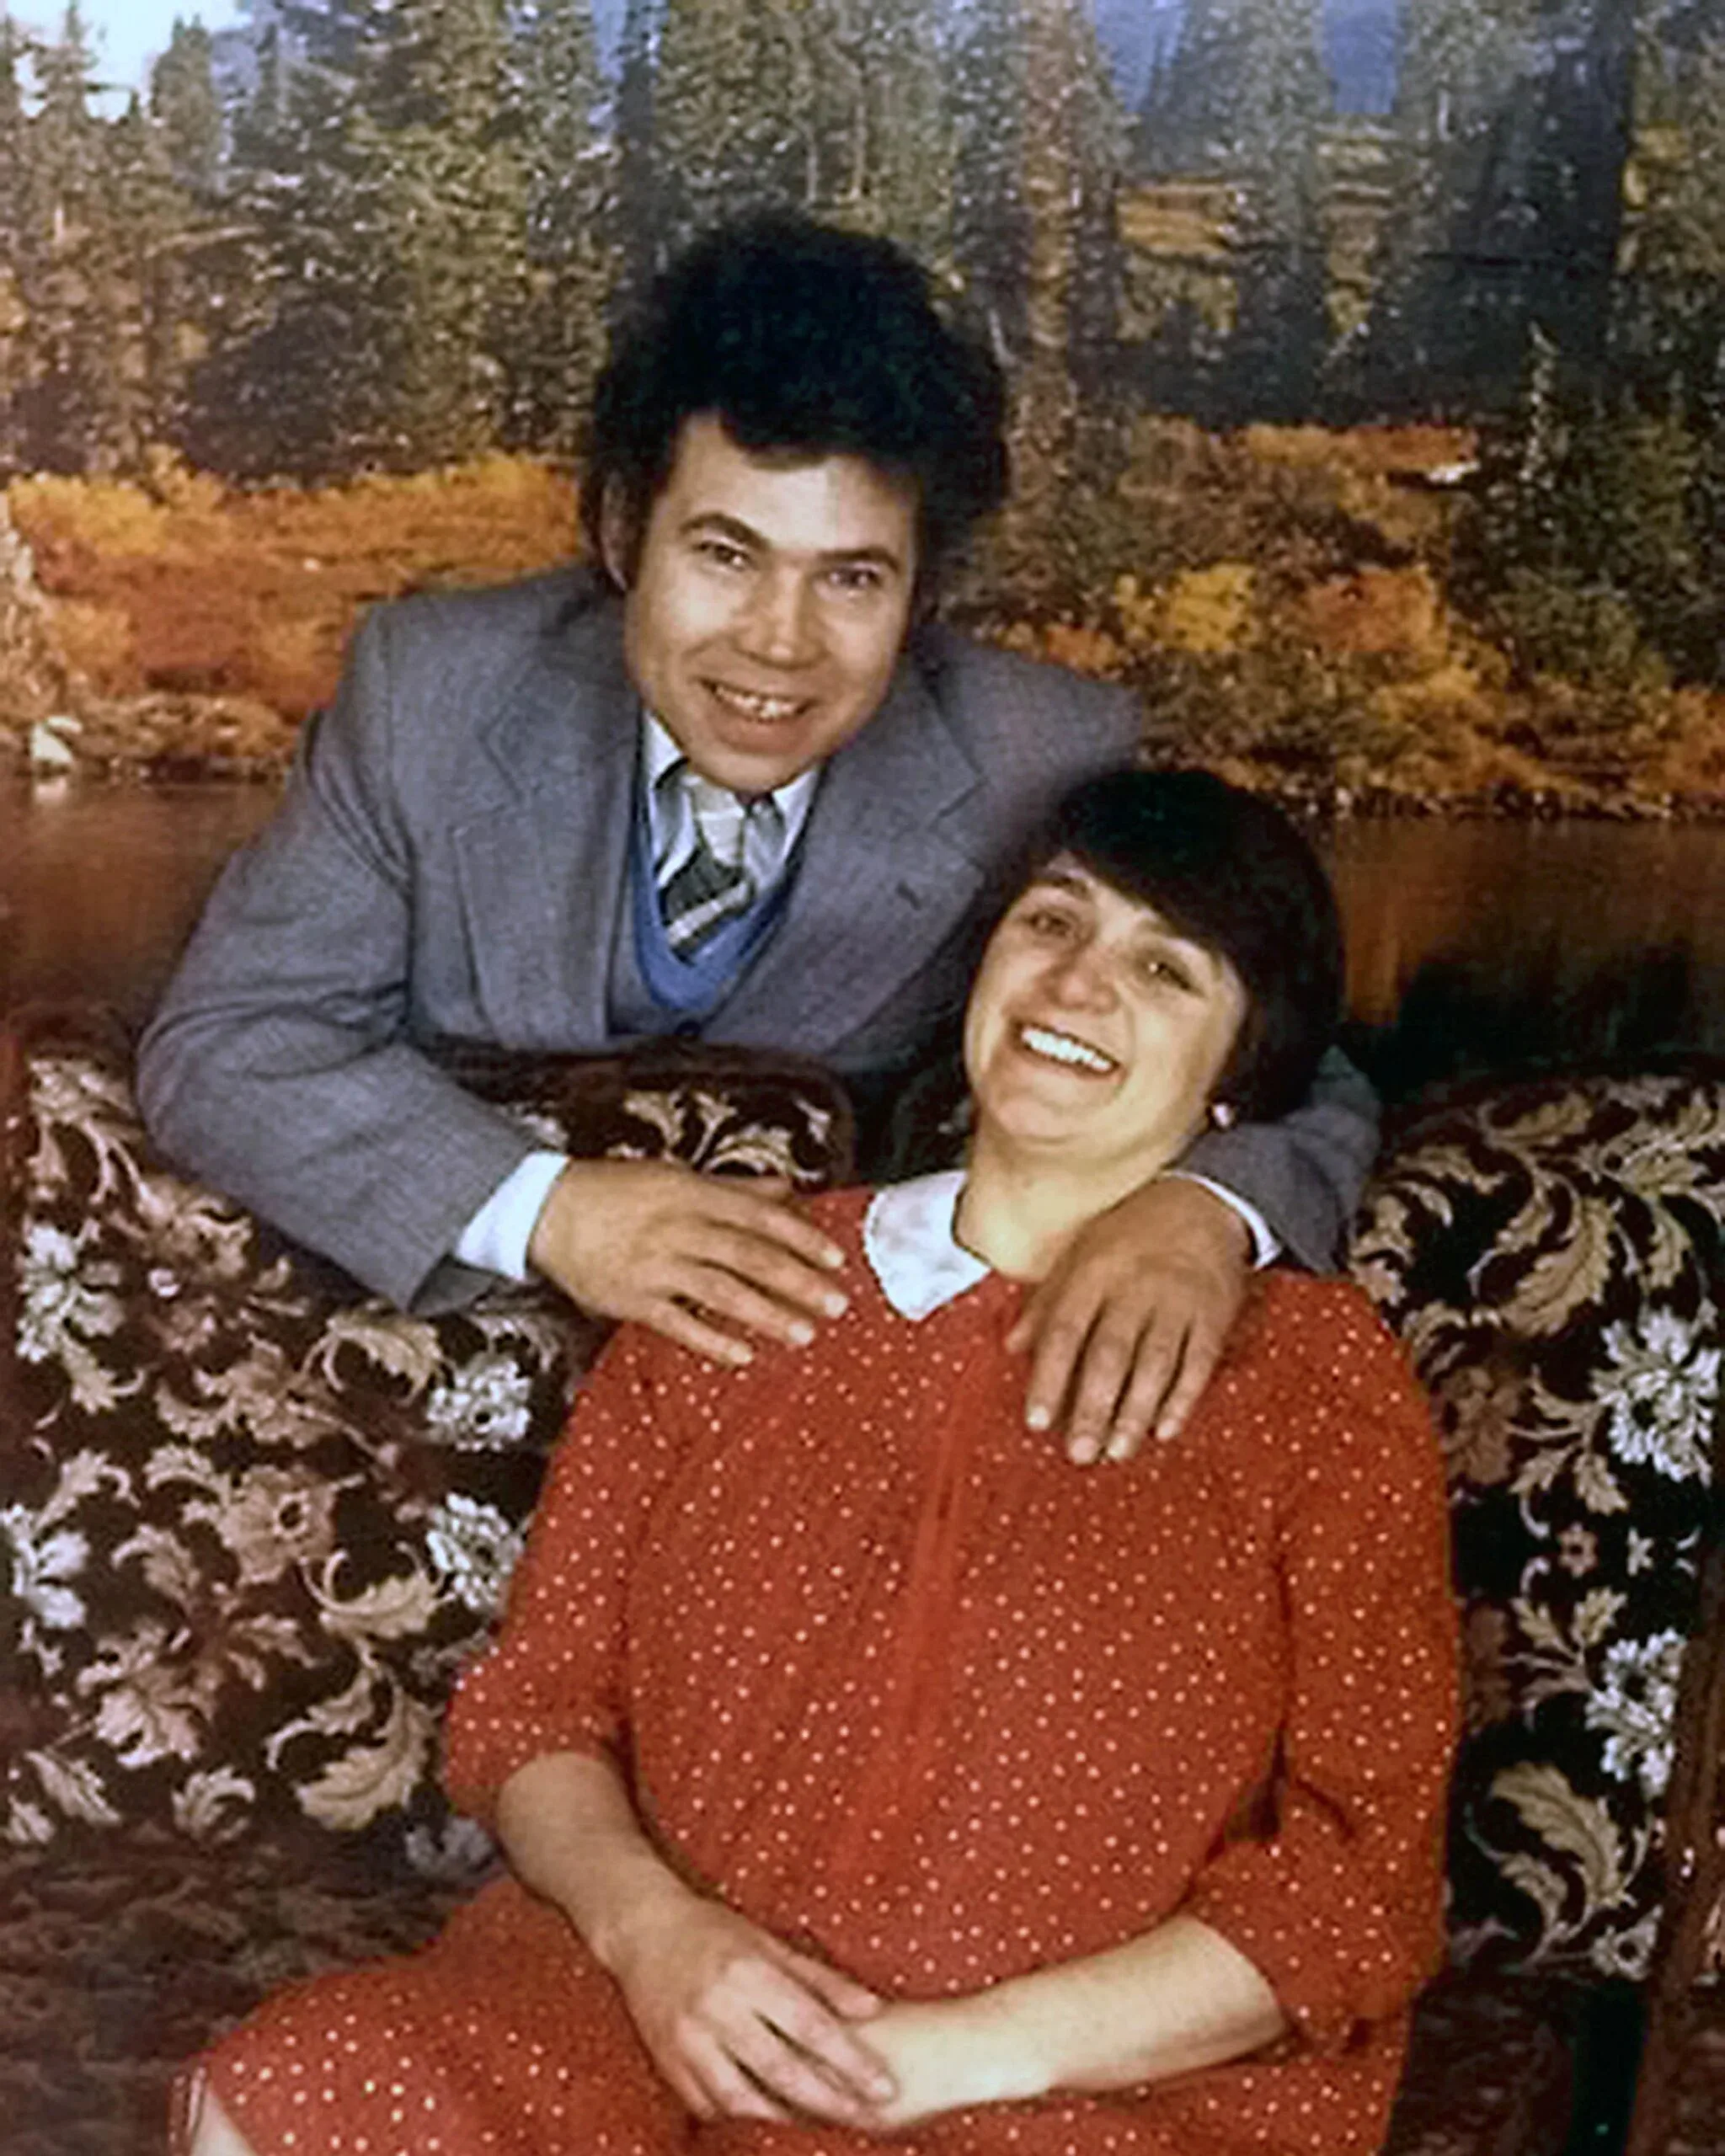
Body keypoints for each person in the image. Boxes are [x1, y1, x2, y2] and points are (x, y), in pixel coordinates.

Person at [179, 768, 1456, 2156]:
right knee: (294, 2089)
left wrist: (936, 2062)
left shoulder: (1313, 1381)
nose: (1079, 985)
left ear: (1242, 1082)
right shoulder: (738, 1286)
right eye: (1051, 924)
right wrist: (658, 1938)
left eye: (1165, 968)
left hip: (1071, 2085)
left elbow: (1355, 1888)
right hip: (648, 2020)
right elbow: (535, 1717)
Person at [136, 212, 1380, 1463]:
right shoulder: (432, 694)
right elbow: (228, 1038)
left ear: (922, 592)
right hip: (433, 1415)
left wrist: (1205, 1209)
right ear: (624, 533)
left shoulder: (1036, 755)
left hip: (788, 1450)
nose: (779, 644)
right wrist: (547, 1210)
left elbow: (1298, 1062)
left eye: (851, 578)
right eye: (727, 554)